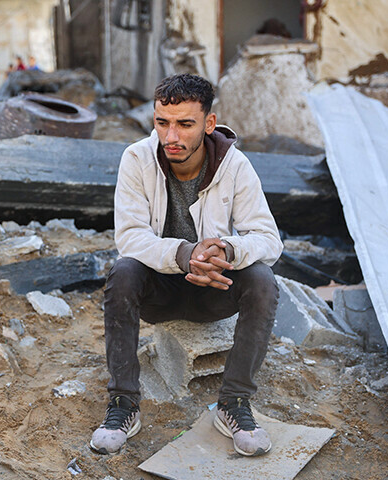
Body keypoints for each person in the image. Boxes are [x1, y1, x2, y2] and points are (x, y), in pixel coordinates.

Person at [89, 74, 282, 457]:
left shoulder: (235, 165)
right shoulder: (136, 159)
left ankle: (234, 403)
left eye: (184, 124)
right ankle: (123, 404)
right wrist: (183, 254)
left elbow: (268, 238)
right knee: (123, 271)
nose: (170, 137)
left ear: (209, 124)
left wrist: (225, 250)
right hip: (159, 292)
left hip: (213, 291)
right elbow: (128, 236)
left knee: (262, 279)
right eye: (162, 123)